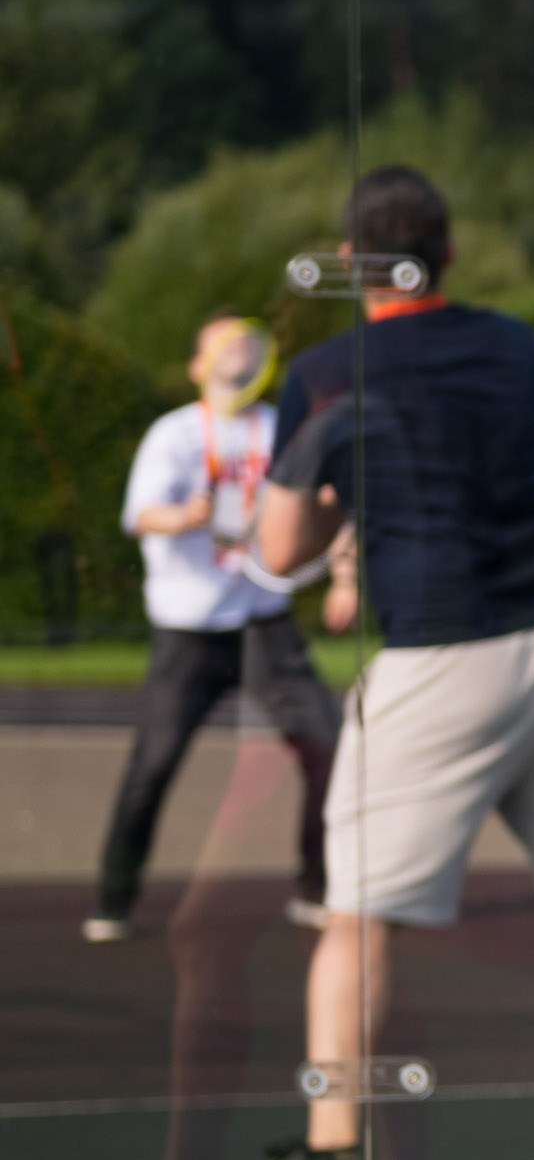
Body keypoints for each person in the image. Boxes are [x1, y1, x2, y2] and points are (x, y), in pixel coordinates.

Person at [237, 163, 534, 1160]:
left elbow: (278, 554)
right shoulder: (517, 344)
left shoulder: (327, 375)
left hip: (440, 661)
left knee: (357, 919)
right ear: (450, 254)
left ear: (352, 263)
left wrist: (341, 522)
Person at [85, 314, 341, 946]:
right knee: (154, 763)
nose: (239, 357)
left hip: (263, 617)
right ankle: (113, 898)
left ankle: (318, 887)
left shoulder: (280, 428)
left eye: (249, 347)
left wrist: (342, 572)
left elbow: (324, 504)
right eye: (224, 348)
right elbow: (140, 515)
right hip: (192, 626)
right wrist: (185, 516)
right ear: (198, 366)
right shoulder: (173, 434)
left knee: (328, 744)